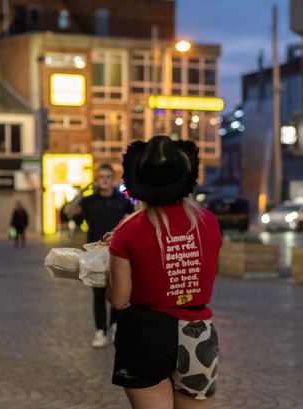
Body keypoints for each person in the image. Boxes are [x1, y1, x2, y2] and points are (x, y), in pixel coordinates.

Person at [106, 135, 222, 409]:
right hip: (198, 332)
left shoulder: (128, 230)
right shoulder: (209, 222)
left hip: (146, 334)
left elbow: (119, 299)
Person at [63, 164, 134, 348]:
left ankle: (115, 326)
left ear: (113, 179)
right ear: (96, 179)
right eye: (101, 176)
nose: (104, 180)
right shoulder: (89, 201)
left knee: (118, 289)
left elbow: (136, 216)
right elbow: (68, 212)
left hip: (118, 254)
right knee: (98, 293)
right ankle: (100, 331)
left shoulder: (121, 200)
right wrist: (83, 192)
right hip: (94, 254)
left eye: (108, 176)